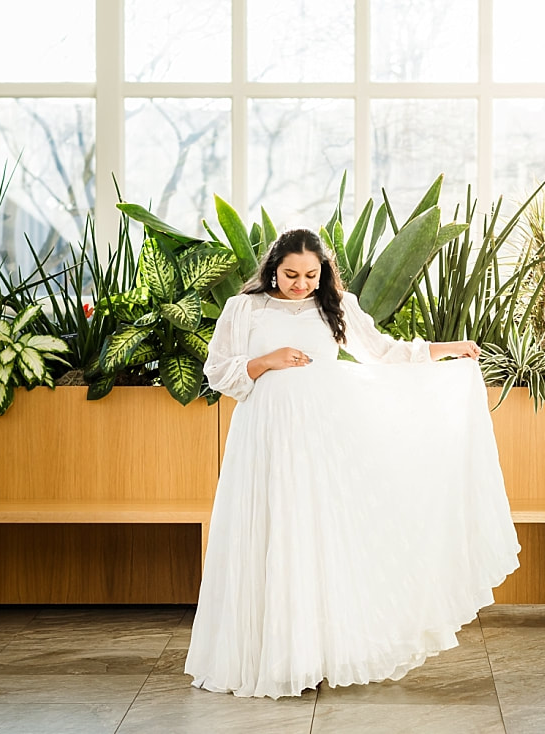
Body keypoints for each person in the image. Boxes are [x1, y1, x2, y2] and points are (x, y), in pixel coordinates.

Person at [184, 228, 521, 699]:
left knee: (314, 537)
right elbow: (219, 371)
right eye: (290, 275)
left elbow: (382, 353)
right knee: (267, 530)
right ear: (272, 270)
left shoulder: (337, 305)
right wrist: (267, 360)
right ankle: (266, 656)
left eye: (310, 274)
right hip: (264, 436)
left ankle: (314, 654)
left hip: (322, 437)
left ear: (322, 272)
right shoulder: (245, 308)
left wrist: (445, 350)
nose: (300, 283)